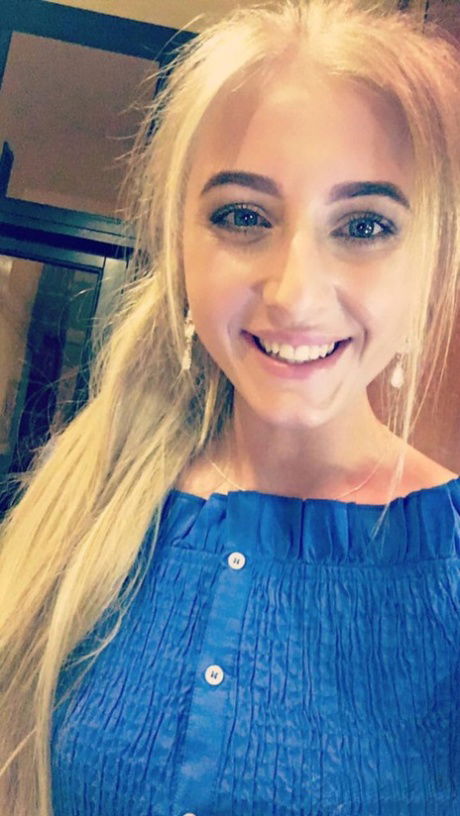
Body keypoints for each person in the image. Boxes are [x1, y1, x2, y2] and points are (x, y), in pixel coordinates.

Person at [1, 0, 460, 813]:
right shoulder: (90, 501)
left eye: (364, 225)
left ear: (430, 262)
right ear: (180, 242)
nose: (295, 294)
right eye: (243, 216)